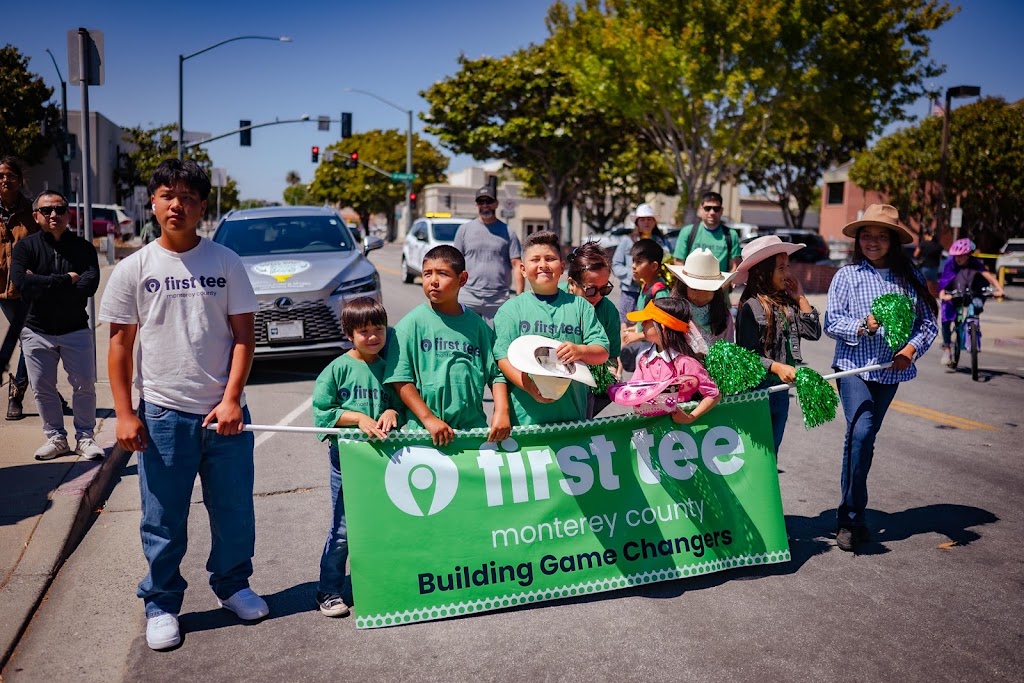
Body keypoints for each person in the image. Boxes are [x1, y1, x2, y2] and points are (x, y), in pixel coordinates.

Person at [100, 159, 265, 651]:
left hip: (224, 415)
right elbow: (119, 346)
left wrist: (232, 398)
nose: (178, 205)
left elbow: (243, 338)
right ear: (153, 202)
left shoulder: (225, 262)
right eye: (168, 195)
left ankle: (233, 586)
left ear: (201, 206)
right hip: (163, 414)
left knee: (234, 510)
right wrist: (126, 413)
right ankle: (162, 602)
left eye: (189, 197)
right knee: (163, 517)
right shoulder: (135, 269)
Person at [824, 204, 937, 552]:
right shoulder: (846, 276)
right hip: (853, 368)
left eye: (881, 235)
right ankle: (849, 519)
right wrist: (862, 326)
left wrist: (911, 350)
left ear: (892, 240)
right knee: (860, 432)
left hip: (889, 372)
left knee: (865, 439)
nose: (873, 241)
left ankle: (854, 511)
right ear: (859, 240)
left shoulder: (910, 277)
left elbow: (928, 323)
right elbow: (831, 322)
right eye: (867, 235)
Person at [312, 297, 403, 618]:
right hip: (348, 459)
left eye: (378, 329)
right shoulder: (337, 369)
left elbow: (403, 404)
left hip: (386, 459)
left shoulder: (391, 367)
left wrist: (392, 410)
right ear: (349, 334)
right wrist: (357, 418)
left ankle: (380, 583)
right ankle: (329, 589)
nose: (373, 337)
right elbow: (322, 412)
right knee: (344, 528)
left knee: (385, 524)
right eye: (364, 331)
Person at [384, 244, 510, 446]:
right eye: (427, 274)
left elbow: (497, 374)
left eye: (442, 273)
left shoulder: (477, 326)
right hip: (425, 434)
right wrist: (428, 419)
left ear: (462, 279)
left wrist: (501, 411)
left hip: (472, 433)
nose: (433, 281)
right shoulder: (410, 326)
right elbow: (400, 379)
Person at [10, 191, 102, 460]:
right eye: (47, 210)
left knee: (85, 385)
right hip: (36, 331)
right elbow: (22, 284)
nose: (54, 215)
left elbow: (89, 285)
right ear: (36, 215)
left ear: (68, 213)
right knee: (42, 387)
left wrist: (42, 282)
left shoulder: (83, 248)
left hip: (75, 329)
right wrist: (66, 280)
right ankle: (56, 438)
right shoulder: (26, 248)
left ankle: (85, 437)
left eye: (60, 209)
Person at [494, 230, 609, 426]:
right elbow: (502, 358)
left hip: (572, 418)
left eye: (550, 258)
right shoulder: (510, 310)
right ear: (522, 268)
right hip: (526, 422)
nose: (543, 265)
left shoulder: (581, 307)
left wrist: (580, 350)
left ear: (562, 267)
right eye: (535, 259)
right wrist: (529, 386)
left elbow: (602, 351)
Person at [733, 235, 822, 457]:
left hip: (780, 394)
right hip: (756, 393)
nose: (787, 273)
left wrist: (801, 298)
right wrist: (776, 367)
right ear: (763, 271)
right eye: (780, 268)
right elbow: (747, 357)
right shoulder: (750, 307)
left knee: (771, 454)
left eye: (788, 266)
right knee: (756, 456)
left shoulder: (789, 303)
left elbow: (813, 333)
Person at [626, 298, 721, 424]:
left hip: (676, 433)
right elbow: (634, 389)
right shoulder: (644, 359)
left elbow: (713, 394)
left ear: (662, 327)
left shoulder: (685, 363)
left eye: (647, 320)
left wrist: (690, 417)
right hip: (648, 429)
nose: (642, 324)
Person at [1, 156, 39, 420]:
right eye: (1, 175)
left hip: (24, 286)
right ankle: (42, 387)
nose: (5, 180)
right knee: (31, 339)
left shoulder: (31, 210)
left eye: (11, 175)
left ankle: (17, 394)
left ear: (20, 180)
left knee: (30, 338)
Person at [562, 241, 620, 417]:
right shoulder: (554, 301)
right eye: (591, 290)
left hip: (587, 390)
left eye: (605, 289)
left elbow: (611, 358)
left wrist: (609, 371)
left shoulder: (608, 311)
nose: (598, 296)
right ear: (572, 284)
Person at [452, 186, 524, 324]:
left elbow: (517, 266)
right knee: (466, 341)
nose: (485, 206)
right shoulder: (464, 230)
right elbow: (455, 264)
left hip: (498, 299)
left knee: (495, 342)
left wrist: (519, 298)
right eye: (481, 202)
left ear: (496, 204)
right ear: (476, 205)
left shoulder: (508, 232)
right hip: (468, 296)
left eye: (489, 202)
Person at [936, 238, 1004, 367]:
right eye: (956, 256)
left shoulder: (976, 263)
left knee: (975, 307)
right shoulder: (951, 264)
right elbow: (944, 282)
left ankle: (972, 330)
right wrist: (943, 295)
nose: (958, 259)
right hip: (954, 294)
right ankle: (947, 349)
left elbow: (989, 276)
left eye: (961, 256)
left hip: (973, 292)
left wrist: (999, 289)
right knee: (946, 319)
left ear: (968, 255)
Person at [612, 202, 670, 324]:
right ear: (637, 222)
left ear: (655, 222)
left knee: (652, 325)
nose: (646, 222)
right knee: (627, 325)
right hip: (630, 292)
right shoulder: (627, 241)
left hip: (654, 290)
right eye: (642, 219)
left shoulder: (662, 242)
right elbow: (616, 264)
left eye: (650, 219)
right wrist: (632, 276)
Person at [667, 248, 736, 345]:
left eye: (707, 289)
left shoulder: (724, 316)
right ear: (683, 287)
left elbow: (729, 345)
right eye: (694, 289)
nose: (700, 295)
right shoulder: (674, 312)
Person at [620, 238, 670, 371]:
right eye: (633, 261)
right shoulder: (645, 287)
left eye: (639, 262)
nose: (633, 266)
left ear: (654, 266)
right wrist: (636, 328)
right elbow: (647, 319)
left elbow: (664, 329)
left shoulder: (660, 292)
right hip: (646, 347)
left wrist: (638, 336)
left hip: (657, 352)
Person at [672, 191, 741, 273]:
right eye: (707, 208)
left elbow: (734, 266)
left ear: (721, 211)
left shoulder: (731, 235)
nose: (712, 212)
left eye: (716, 209)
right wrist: (689, 283)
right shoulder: (687, 232)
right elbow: (678, 262)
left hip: (720, 284)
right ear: (701, 210)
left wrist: (724, 285)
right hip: (691, 284)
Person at [914, 232, 944, 298]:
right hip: (935, 268)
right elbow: (941, 257)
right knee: (933, 285)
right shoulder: (939, 246)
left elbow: (915, 254)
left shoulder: (923, 244)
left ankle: (923, 298)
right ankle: (933, 298)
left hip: (925, 267)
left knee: (923, 284)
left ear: (928, 236)